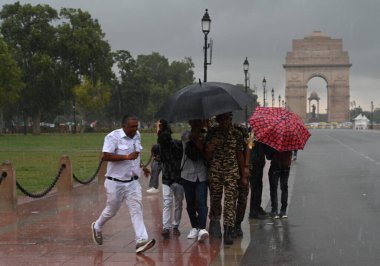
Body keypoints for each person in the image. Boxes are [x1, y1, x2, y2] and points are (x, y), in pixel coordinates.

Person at [91, 115, 155, 254]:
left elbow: (136, 155)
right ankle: (97, 226)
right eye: (132, 126)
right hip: (115, 183)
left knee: (136, 209)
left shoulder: (137, 135)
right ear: (124, 126)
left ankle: (141, 240)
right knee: (112, 210)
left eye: (136, 126)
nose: (135, 129)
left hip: (132, 182)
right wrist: (126, 157)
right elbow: (105, 156)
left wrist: (142, 166)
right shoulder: (113, 137)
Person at [205, 112, 249, 245]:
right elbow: (206, 155)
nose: (225, 122)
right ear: (218, 119)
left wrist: (244, 173)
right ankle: (215, 223)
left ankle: (229, 229)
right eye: (222, 119)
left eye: (228, 119)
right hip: (216, 172)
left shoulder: (236, 132)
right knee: (215, 199)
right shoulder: (212, 132)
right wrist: (210, 147)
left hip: (231, 171)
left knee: (230, 200)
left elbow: (240, 153)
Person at [181, 119, 209, 242]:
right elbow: (191, 151)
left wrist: (200, 137)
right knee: (190, 203)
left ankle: (202, 228)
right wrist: (197, 136)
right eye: (194, 122)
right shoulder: (185, 135)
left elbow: (204, 152)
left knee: (201, 201)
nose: (196, 124)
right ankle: (194, 226)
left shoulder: (205, 136)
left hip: (202, 174)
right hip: (187, 174)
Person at [157, 120, 184, 238]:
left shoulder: (176, 145)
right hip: (168, 178)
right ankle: (167, 227)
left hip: (176, 178)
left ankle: (174, 226)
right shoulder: (160, 147)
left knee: (175, 203)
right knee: (170, 202)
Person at [233, 124, 250, 237]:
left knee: (242, 198)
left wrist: (246, 166)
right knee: (230, 199)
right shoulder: (217, 128)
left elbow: (249, 146)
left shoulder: (242, 129)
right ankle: (229, 225)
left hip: (243, 167)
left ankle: (238, 224)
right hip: (229, 169)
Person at [268, 150, 292, 219]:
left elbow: (269, 156)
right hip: (286, 164)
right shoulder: (289, 140)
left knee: (273, 187)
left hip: (275, 164)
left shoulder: (275, 140)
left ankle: (274, 210)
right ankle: (283, 211)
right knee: (284, 187)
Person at [248, 140, 268, 220]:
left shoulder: (261, 135)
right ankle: (253, 211)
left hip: (259, 163)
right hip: (254, 164)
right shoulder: (252, 134)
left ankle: (257, 207)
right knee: (255, 188)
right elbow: (249, 147)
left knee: (259, 186)